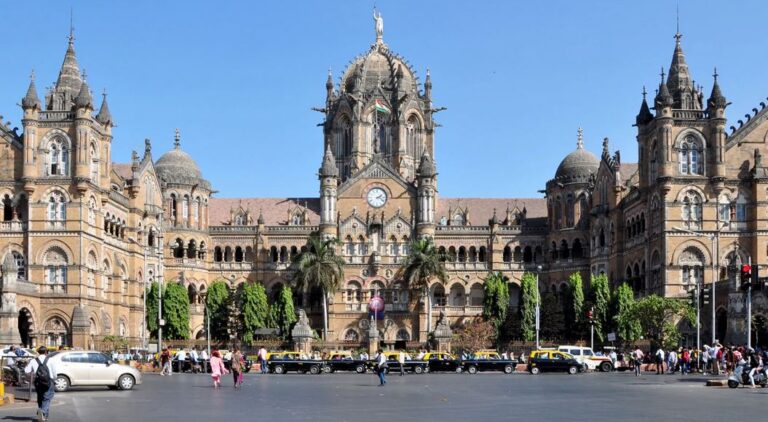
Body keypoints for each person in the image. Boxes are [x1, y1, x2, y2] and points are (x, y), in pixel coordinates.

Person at [25, 346, 57, 422]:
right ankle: (42, 411)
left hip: (38, 382)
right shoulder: (51, 360)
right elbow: (54, 372)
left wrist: (30, 367)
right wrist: (54, 378)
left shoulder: (33, 360)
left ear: (38, 352)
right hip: (49, 382)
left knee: (40, 398)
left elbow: (26, 370)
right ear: (46, 352)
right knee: (47, 398)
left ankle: (44, 417)